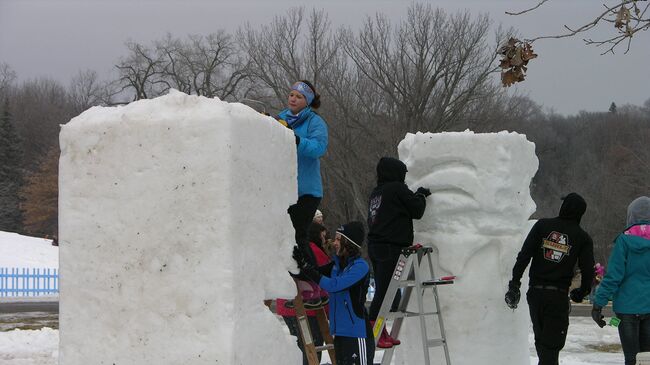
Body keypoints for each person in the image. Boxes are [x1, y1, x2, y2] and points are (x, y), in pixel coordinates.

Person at [505, 192, 595, 365]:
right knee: (550, 349)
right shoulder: (582, 238)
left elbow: (524, 256)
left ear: (564, 207)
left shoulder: (542, 226)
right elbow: (588, 270)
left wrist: (514, 284)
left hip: (535, 295)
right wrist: (581, 292)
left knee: (543, 346)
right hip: (557, 297)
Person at [366, 157, 431, 348]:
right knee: (384, 293)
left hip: (376, 246)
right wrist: (420, 194)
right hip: (391, 246)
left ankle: (381, 331)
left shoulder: (377, 192)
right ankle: (374, 333)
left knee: (383, 291)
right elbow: (417, 210)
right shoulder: (396, 188)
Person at [294, 221, 375, 365]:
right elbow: (313, 273)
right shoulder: (337, 266)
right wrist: (299, 262)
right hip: (340, 335)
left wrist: (307, 267)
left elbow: (334, 285)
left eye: (339, 239)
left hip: (357, 335)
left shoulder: (360, 267)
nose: (334, 242)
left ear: (348, 242)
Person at [592, 196, 650, 365]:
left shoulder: (623, 241)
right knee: (647, 359)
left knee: (631, 359)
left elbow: (613, 277)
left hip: (626, 309)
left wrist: (598, 304)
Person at [277, 80, 328, 266]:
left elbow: (319, 148)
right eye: (292, 94)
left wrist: (297, 140)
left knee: (298, 236)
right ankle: (294, 284)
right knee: (281, 237)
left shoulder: (315, 122)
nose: (293, 99)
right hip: (284, 189)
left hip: (307, 191)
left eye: (299, 97)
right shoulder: (280, 118)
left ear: (307, 101)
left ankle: (316, 282)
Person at [278, 222, 331, 365]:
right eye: (323, 236)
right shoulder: (314, 251)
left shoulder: (299, 247)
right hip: (307, 308)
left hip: (289, 304)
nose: (325, 240)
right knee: (312, 349)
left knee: (302, 348)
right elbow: (325, 281)